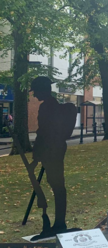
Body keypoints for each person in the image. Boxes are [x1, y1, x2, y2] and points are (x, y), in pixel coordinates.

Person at [28, 76, 76, 237]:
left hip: (51, 151)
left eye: (35, 91)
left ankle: (60, 223)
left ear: (43, 90)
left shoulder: (47, 107)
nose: (34, 95)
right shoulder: (52, 105)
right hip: (55, 149)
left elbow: (43, 133)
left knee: (57, 186)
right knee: (57, 186)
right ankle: (59, 222)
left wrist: (36, 156)